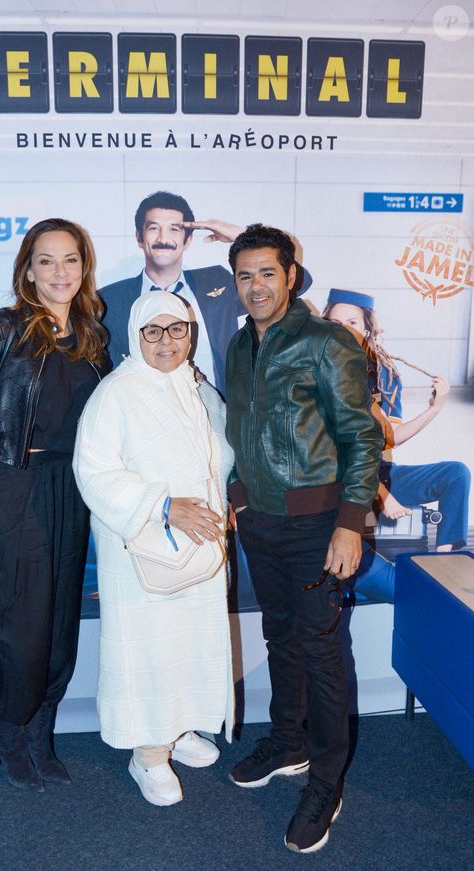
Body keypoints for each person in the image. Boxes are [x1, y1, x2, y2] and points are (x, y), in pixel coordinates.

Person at [225, 225, 382, 853]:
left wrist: (349, 522)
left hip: (319, 524)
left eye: (267, 272)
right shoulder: (239, 346)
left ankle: (325, 781)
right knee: (279, 635)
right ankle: (287, 741)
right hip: (260, 523)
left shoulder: (327, 341)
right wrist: (238, 499)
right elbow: (238, 430)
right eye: (244, 275)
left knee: (319, 651)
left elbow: (361, 437)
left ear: (291, 275)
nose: (256, 286)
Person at [0, 218, 110, 791]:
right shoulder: (2, 328)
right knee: (19, 624)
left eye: (70, 260)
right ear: (27, 270)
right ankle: (10, 732)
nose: (60, 272)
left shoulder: (93, 336)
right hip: (10, 487)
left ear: (84, 267)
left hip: (71, 490)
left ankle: (42, 733)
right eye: (46, 261)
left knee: (60, 621)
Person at [73, 291, 234, 807]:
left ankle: (178, 727)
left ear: (191, 332)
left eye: (178, 329)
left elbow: (217, 458)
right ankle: (147, 753)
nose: (167, 342)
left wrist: (220, 502)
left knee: (189, 645)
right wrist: (164, 507)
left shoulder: (192, 387)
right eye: (153, 331)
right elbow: (93, 471)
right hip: (142, 549)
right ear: (136, 334)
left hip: (198, 545)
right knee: (149, 649)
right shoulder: (117, 392)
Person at [99, 190, 312, 396]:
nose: (163, 237)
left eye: (174, 229)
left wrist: (244, 239)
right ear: (139, 236)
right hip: (147, 421)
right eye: (154, 228)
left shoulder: (215, 281)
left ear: (188, 239)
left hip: (219, 417)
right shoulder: (110, 299)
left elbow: (298, 283)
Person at [322, 288, 470, 558]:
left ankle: (443, 559)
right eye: (334, 323)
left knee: (456, 473)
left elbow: (392, 437)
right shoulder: (316, 372)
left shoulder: (385, 375)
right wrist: (382, 495)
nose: (343, 330)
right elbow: (335, 450)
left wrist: (434, 409)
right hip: (338, 480)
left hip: (381, 472)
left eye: (352, 323)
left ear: (367, 328)